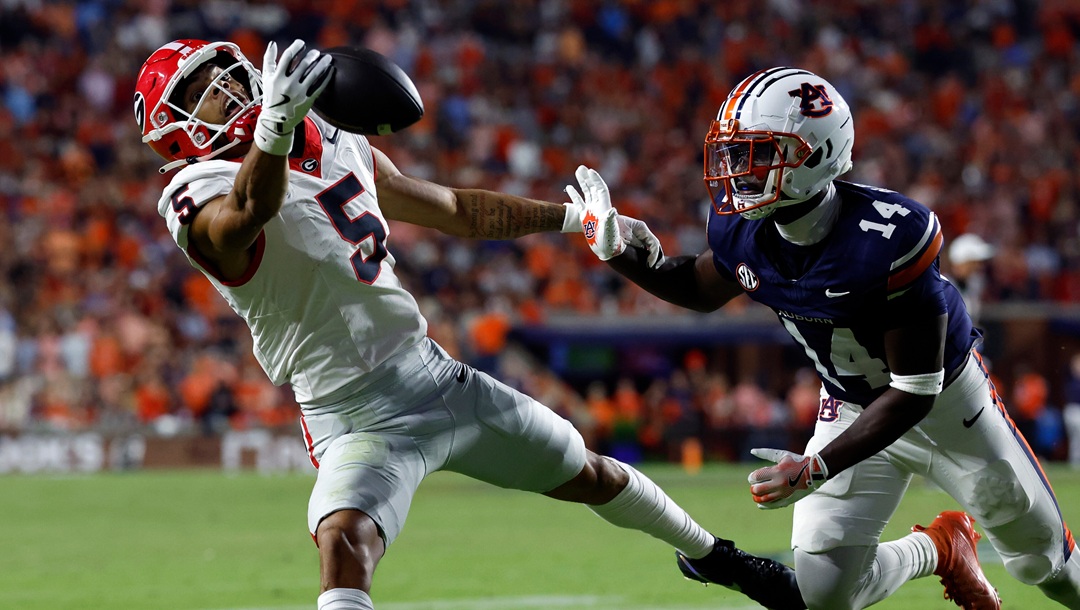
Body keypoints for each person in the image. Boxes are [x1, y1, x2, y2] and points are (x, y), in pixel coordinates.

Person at [134, 39, 804, 610]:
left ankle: (719, 559)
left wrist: (573, 219)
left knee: (593, 474)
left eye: (225, 74)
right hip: (350, 411)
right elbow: (243, 216)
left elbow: (454, 208)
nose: (228, 88)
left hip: (432, 375)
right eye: (202, 91)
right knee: (344, 540)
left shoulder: (325, 135)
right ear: (175, 128)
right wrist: (274, 132)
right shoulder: (194, 191)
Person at [570, 66, 1080, 609]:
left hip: (948, 409)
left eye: (758, 154)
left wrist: (816, 467)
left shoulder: (887, 238)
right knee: (825, 594)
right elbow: (698, 288)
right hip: (850, 405)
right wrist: (614, 251)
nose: (737, 170)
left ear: (815, 156)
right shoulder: (746, 232)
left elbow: (915, 391)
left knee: (1047, 568)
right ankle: (939, 547)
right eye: (734, 153)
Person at [947, 233, 996, 326]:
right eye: (973, 262)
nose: (978, 266)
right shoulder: (941, 287)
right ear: (962, 262)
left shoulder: (976, 283)